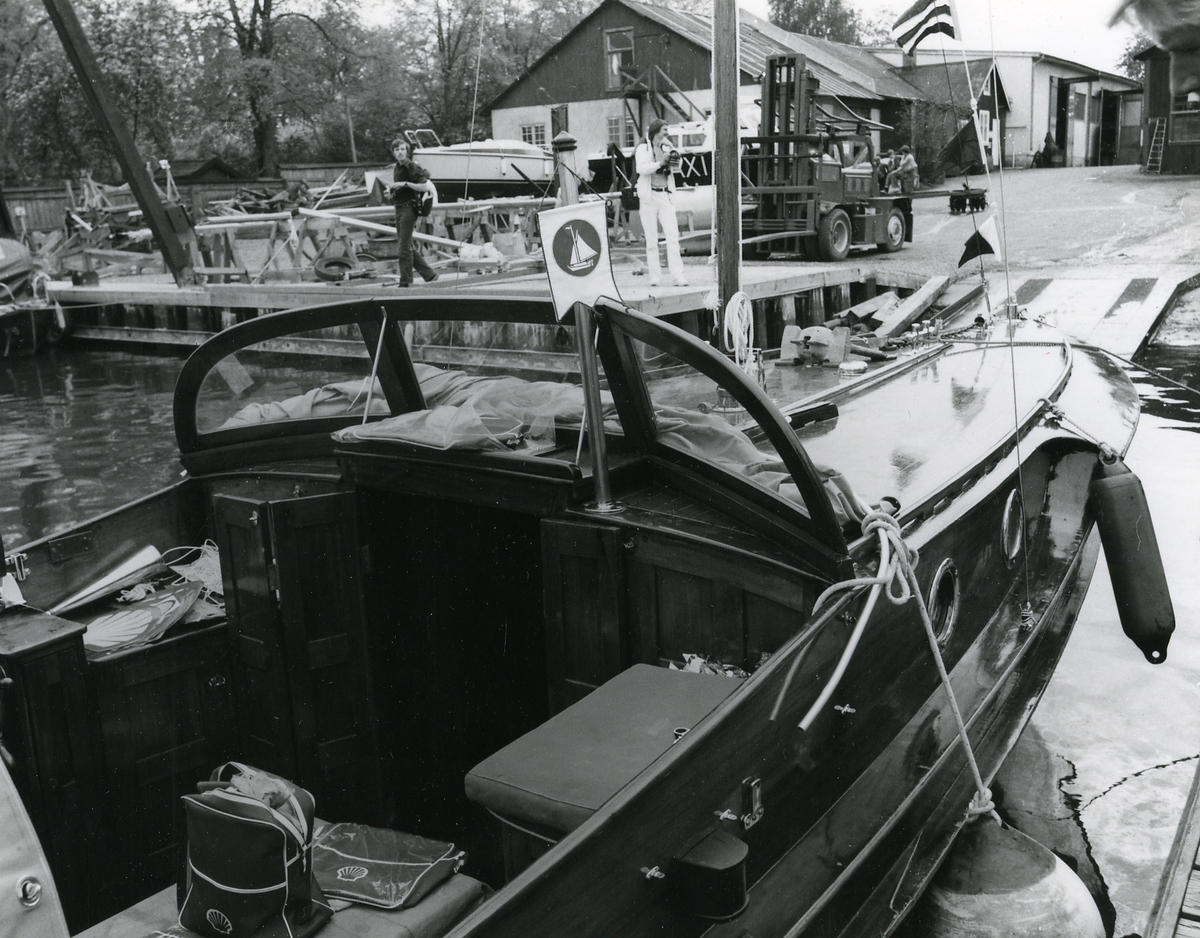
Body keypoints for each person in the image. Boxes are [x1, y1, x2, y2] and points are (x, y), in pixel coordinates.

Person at [634, 119, 688, 287]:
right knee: (651, 240)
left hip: (665, 195)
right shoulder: (643, 147)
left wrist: (674, 157)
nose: (667, 132)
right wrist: (660, 163)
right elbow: (641, 169)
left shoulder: (667, 146)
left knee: (673, 237)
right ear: (656, 131)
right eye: (665, 129)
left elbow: (677, 167)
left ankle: (678, 275)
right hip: (649, 197)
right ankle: (655, 277)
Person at [388, 137, 438, 286]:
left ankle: (406, 282)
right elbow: (400, 190)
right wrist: (391, 193)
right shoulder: (397, 168)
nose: (400, 152)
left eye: (403, 149)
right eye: (397, 150)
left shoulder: (412, 167)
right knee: (407, 245)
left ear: (407, 151)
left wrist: (405, 184)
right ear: (393, 152)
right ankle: (430, 275)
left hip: (409, 209)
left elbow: (425, 187)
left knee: (403, 248)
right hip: (398, 207)